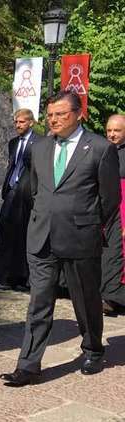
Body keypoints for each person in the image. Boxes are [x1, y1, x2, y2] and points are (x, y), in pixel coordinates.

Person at [0, 91, 120, 387]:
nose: (53, 119)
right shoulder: (40, 147)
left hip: (81, 238)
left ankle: (93, 348)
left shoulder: (100, 148)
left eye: (60, 114)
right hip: (42, 238)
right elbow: (36, 190)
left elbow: (110, 200)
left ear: (79, 114)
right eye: (50, 114)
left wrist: (87, 224)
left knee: (86, 300)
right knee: (39, 302)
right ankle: (28, 365)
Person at [0, 108, 41, 290]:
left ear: (31, 122)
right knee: (3, 227)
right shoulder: (13, 143)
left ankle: (20, 275)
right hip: (12, 190)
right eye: (16, 122)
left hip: (26, 195)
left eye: (22, 122)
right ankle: (2, 272)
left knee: (22, 234)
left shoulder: (39, 143)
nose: (18, 125)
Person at [101, 114, 125, 316]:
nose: (112, 134)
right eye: (109, 130)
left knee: (118, 253)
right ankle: (108, 295)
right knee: (107, 252)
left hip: (122, 211)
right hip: (105, 207)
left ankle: (114, 298)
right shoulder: (102, 150)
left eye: (116, 130)